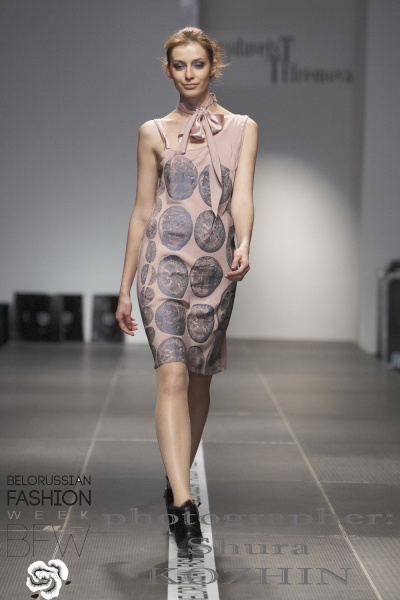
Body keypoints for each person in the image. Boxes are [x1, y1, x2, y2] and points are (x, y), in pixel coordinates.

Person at [115, 27, 258, 554]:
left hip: (214, 270)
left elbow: (242, 195)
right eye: (180, 65)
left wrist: (246, 241)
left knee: (198, 381)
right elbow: (141, 212)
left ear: (212, 67)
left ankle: (175, 478)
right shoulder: (152, 132)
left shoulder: (243, 128)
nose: (190, 73)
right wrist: (125, 287)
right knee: (172, 375)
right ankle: (182, 502)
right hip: (162, 267)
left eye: (198, 63)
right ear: (168, 70)